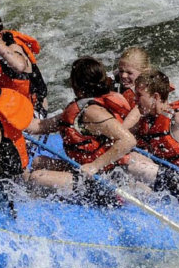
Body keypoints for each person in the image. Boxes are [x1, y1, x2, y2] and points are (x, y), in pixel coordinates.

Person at [25, 56, 157, 203]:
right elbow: (40, 126)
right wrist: (5, 119)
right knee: (38, 161)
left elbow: (128, 141)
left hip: (105, 177)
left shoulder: (91, 112)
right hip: (89, 169)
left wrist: (94, 166)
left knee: (36, 178)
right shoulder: (79, 108)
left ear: (76, 84)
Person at [114, 47, 149, 130]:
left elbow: (137, 112)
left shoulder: (148, 89)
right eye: (121, 71)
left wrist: (120, 132)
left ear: (144, 72)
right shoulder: (115, 81)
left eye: (129, 73)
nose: (123, 76)